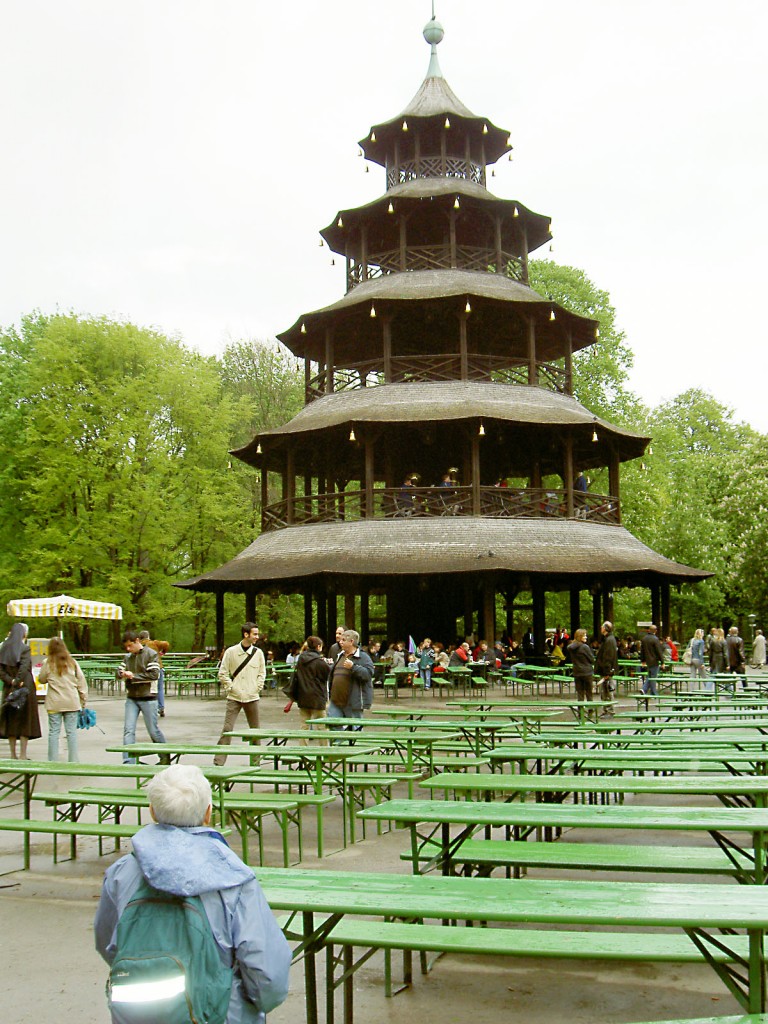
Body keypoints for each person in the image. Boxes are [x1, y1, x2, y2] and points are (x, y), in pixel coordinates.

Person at [94, 764, 291, 1024]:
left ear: (152, 812)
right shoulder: (234, 878)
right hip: (218, 1015)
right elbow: (268, 976)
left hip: (138, 1014)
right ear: (209, 813)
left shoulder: (121, 873)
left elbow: (108, 942)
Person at [214, 622, 265, 765]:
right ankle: (219, 761)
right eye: (255, 634)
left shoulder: (258, 653)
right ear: (246, 634)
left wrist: (257, 687)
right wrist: (230, 687)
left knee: (255, 730)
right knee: (227, 729)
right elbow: (223, 673)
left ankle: (256, 761)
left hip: (252, 696)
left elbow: (262, 673)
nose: (257, 637)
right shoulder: (231, 652)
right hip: (234, 696)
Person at [118, 630, 166, 764]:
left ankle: (165, 756)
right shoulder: (127, 657)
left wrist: (133, 676)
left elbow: (154, 674)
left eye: (130, 646)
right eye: (126, 647)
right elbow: (118, 671)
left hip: (148, 697)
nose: (128, 649)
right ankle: (128, 761)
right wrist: (121, 673)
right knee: (128, 730)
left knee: (153, 730)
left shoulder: (151, 654)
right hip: (132, 697)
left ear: (137, 641)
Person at [38, 637, 88, 762]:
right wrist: (83, 700)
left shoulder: (47, 663)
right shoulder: (72, 662)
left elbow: (41, 679)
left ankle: (53, 761)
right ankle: (73, 761)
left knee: (54, 732)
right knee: (71, 733)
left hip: (54, 703)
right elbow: (81, 682)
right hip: (71, 702)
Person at [0, 622, 42, 759]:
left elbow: (0, 670)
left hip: (9, 688)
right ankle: (23, 755)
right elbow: (24, 667)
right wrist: (17, 681)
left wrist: (10, 681)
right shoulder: (25, 649)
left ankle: (13, 754)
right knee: (25, 720)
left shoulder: (3, 648)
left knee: (11, 720)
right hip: (25, 687)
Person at [327, 629, 374, 730]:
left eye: (344, 639)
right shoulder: (340, 655)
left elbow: (368, 674)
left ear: (352, 641)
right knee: (333, 726)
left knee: (355, 729)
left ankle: (354, 745)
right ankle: (339, 745)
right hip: (335, 700)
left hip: (353, 701)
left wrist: (353, 667)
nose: (340, 641)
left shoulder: (363, 657)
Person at [292, 635, 330, 740]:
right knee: (322, 727)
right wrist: (328, 664)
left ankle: (303, 751)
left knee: (304, 726)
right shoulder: (319, 661)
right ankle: (325, 752)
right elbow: (327, 675)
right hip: (317, 697)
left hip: (303, 696)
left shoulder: (301, 659)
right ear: (318, 647)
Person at [138, 629, 170, 718]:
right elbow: (166, 644)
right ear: (148, 637)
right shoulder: (154, 643)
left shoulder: (139, 645)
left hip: (145, 670)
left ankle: (149, 709)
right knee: (159, 689)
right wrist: (163, 652)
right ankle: (161, 707)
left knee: (147, 689)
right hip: (157, 667)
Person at [595, 621, 618, 712]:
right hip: (606, 670)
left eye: (602, 627)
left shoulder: (609, 640)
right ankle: (607, 710)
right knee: (605, 692)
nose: (600, 628)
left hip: (606, 671)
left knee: (607, 691)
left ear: (605, 628)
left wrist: (607, 672)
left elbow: (608, 657)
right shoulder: (608, 639)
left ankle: (609, 710)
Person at [568, 628, 594, 701]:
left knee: (580, 693)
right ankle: (590, 710)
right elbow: (592, 659)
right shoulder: (584, 647)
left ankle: (580, 710)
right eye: (584, 635)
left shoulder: (571, 648)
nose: (586, 637)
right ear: (580, 636)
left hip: (577, 672)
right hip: (587, 672)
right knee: (589, 693)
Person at [640, 624, 666, 696]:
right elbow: (659, 651)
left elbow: (642, 651)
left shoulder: (644, 639)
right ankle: (646, 690)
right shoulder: (655, 639)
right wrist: (662, 662)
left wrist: (643, 661)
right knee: (653, 677)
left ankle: (651, 692)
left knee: (650, 675)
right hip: (654, 661)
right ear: (655, 631)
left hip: (647, 661)